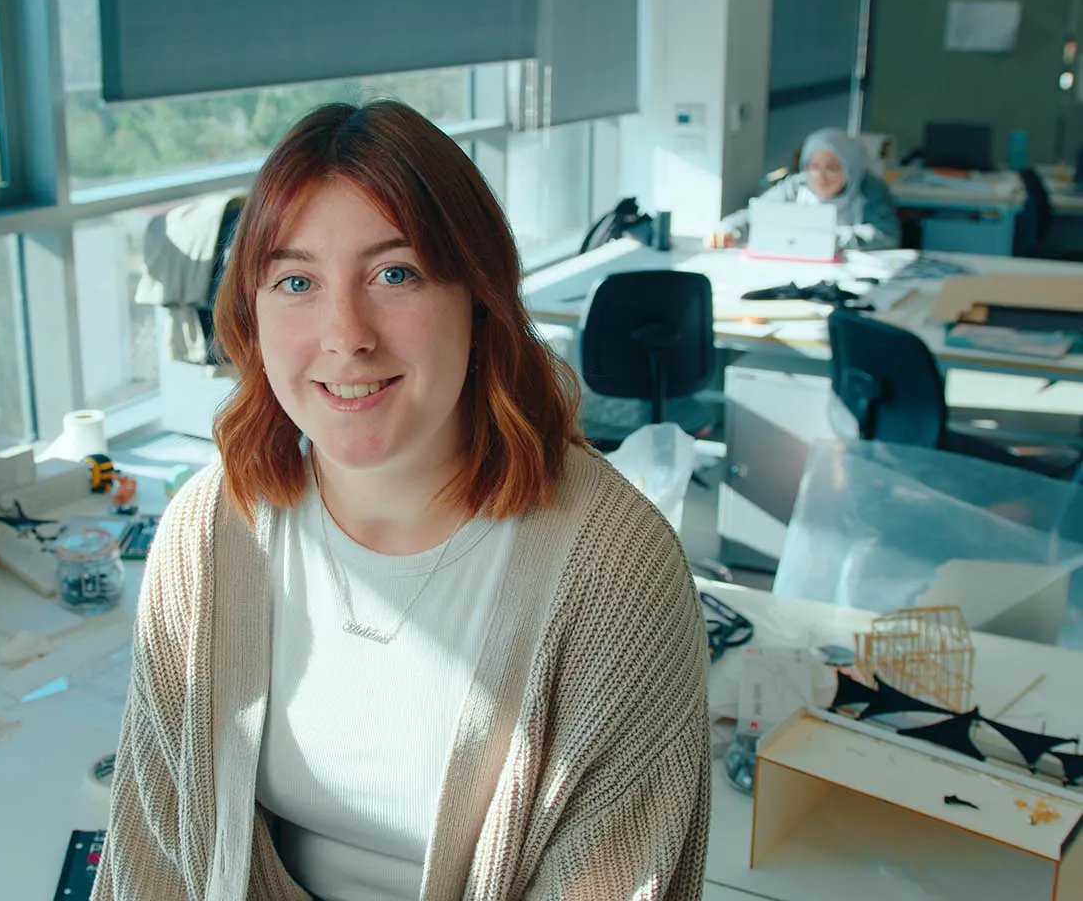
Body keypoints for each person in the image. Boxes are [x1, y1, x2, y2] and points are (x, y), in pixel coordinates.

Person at [92, 101, 711, 901]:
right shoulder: (208, 531)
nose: (346, 335)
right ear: (251, 312)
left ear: (478, 301)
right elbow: (151, 851)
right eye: (296, 281)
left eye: (395, 274)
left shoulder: (613, 571)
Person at [709, 127, 900, 250]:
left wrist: (826, 239)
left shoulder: (869, 189)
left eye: (832, 168)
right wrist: (728, 229)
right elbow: (757, 214)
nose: (821, 177)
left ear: (850, 168)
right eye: (813, 167)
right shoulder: (797, 185)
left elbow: (887, 235)